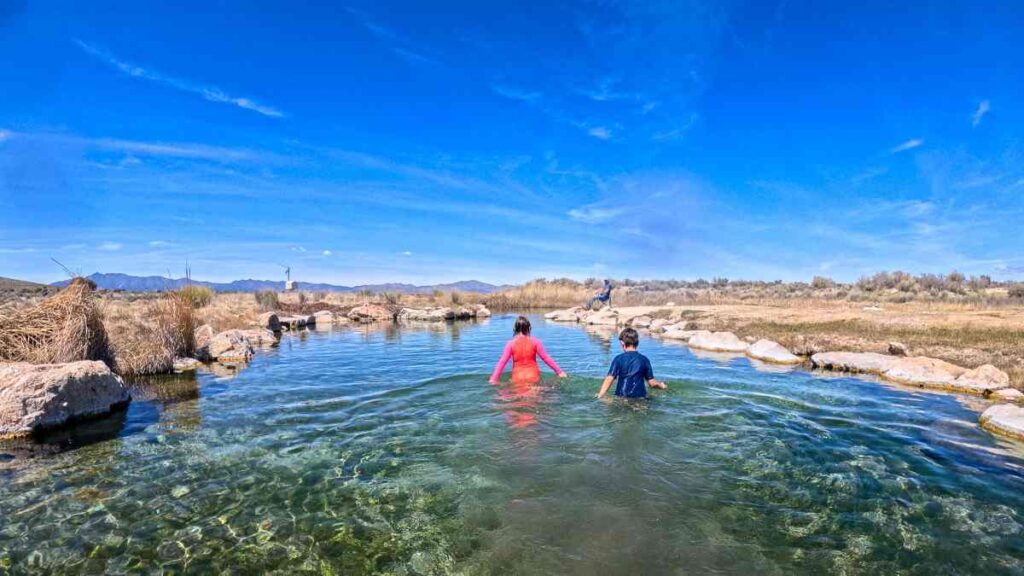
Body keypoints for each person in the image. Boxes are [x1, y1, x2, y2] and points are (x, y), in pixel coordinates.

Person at [489, 316, 568, 384]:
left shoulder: (510, 344)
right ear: (529, 328)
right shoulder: (536, 342)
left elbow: (502, 362)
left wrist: (494, 379)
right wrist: (559, 372)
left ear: (515, 329)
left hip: (517, 378)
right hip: (533, 377)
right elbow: (546, 358)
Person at [596, 327, 667, 399]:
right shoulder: (644, 360)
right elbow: (652, 383)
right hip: (640, 398)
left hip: (621, 396)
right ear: (637, 343)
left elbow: (609, 378)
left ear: (622, 343)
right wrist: (661, 385)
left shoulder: (618, 359)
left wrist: (600, 394)